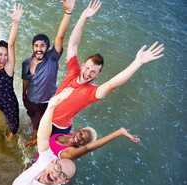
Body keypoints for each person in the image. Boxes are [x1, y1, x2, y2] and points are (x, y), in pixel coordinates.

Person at [52, 0, 165, 135]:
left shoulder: (90, 93)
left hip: (59, 128)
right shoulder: (74, 70)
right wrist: (83, 17)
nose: (88, 73)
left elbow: (112, 84)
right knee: (35, 130)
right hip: (47, 113)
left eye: (93, 72)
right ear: (82, 65)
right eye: (87, 68)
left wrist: (138, 62)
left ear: (98, 75)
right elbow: (73, 44)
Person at [11, 88, 94, 185]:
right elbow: (43, 135)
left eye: (62, 175)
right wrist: (51, 107)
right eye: (57, 168)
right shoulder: (46, 158)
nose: (56, 174)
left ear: (64, 181)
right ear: (53, 162)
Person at [22, 0, 76, 148]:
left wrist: (68, 11)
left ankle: (37, 135)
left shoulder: (53, 58)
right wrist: (23, 96)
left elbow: (60, 36)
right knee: (34, 120)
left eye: (42, 45)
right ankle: (34, 130)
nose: (39, 49)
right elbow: (26, 81)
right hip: (32, 99)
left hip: (49, 100)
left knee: (45, 123)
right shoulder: (27, 63)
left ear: (47, 47)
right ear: (33, 47)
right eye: (36, 45)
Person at [0, 3, 24, 141]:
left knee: (13, 125)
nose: (3, 58)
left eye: (6, 55)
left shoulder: (8, 68)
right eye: (0, 54)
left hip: (8, 102)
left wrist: (15, 23)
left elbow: (11, 44)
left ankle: (12, 135)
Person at [33, 127, 140, 163]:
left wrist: (118, 133)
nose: (79, 138)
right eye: (80, 133)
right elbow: (50, 139)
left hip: (40, 173)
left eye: (83, 140)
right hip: (36, 161)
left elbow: (88, 148)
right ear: (78, 130)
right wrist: (37, 140)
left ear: (83, 144)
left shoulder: (69, 152)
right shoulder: (70, 135)